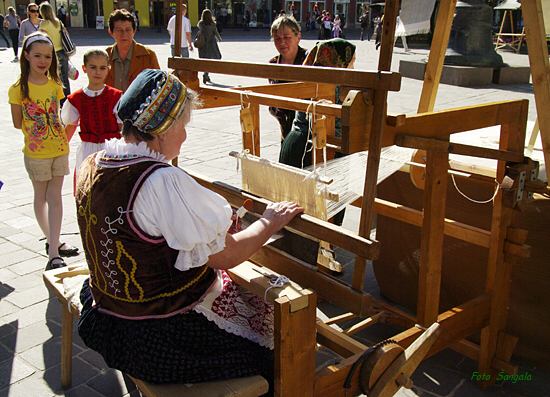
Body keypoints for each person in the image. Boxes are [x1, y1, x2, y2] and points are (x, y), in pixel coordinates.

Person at [75, 69, 303, 393]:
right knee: (276, 345)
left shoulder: (93, 164)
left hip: (108, 318)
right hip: (161, 339)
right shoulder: (160, 181)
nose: (184, 136)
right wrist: (270, 221)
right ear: (164, 127)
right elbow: (228, 255)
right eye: (183, 125)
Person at [8, 32, 79, 271]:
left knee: (55, 197)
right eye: (37, 55)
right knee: (41, 197)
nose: (43, 61)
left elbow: (59, 116)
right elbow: (17, 123)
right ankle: (51, 240)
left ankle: (53, 248)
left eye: (47, 56)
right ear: (26, 56)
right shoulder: (18, 88)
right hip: (36, 152)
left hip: (59, 147)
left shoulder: (55, 84)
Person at [279, 39, 356, 170]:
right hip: (317, 147)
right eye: (351, 62)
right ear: (339, 61)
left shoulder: (311, 78)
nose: (354, 68)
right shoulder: (333, 86)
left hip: (295, 142)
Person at [61, 49, 123, 186]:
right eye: (93, 67)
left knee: (111, 186)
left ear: (108, 69)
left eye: (102, 68)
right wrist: (60, 149)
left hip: (111, 149)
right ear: (84, 68)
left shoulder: (115, 96)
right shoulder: (76, 98)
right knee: (88, 185)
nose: (98, 72)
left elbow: (121, 126)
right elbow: (70, 125)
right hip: (87, 150)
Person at [268, 15, 307, 141]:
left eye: (287, 37)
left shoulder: (309, 61)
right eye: (277, 38)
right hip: (285, 131)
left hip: (307, 132)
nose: (282, 42)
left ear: (298, 37)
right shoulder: (272, 65)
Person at [105, 9, 160, 92]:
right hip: (111, 104)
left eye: (128, 30)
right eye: (119, 30)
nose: (124, 35)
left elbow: (159, 86)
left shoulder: (148, 55)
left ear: (134, 31)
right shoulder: (104, 56)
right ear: (111, 32)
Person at [39, 2, 70, 105]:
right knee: (65, 77)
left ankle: (59, 100)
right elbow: (66, 34)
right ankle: (67, 100)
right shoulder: (57, 22)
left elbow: (43, 39)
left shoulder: (43, 24)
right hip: (63, 51)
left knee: (55, 77)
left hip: (52, 53)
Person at [197, 9, 222, 84]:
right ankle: (206, 74)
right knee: (210, 60)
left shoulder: (201, 24)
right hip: (211, 45)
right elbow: (216, 32)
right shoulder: (212, 24)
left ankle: (206, 74)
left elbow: (200, 31)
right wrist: (219, 38)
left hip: (203, 44)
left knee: (204, 60)